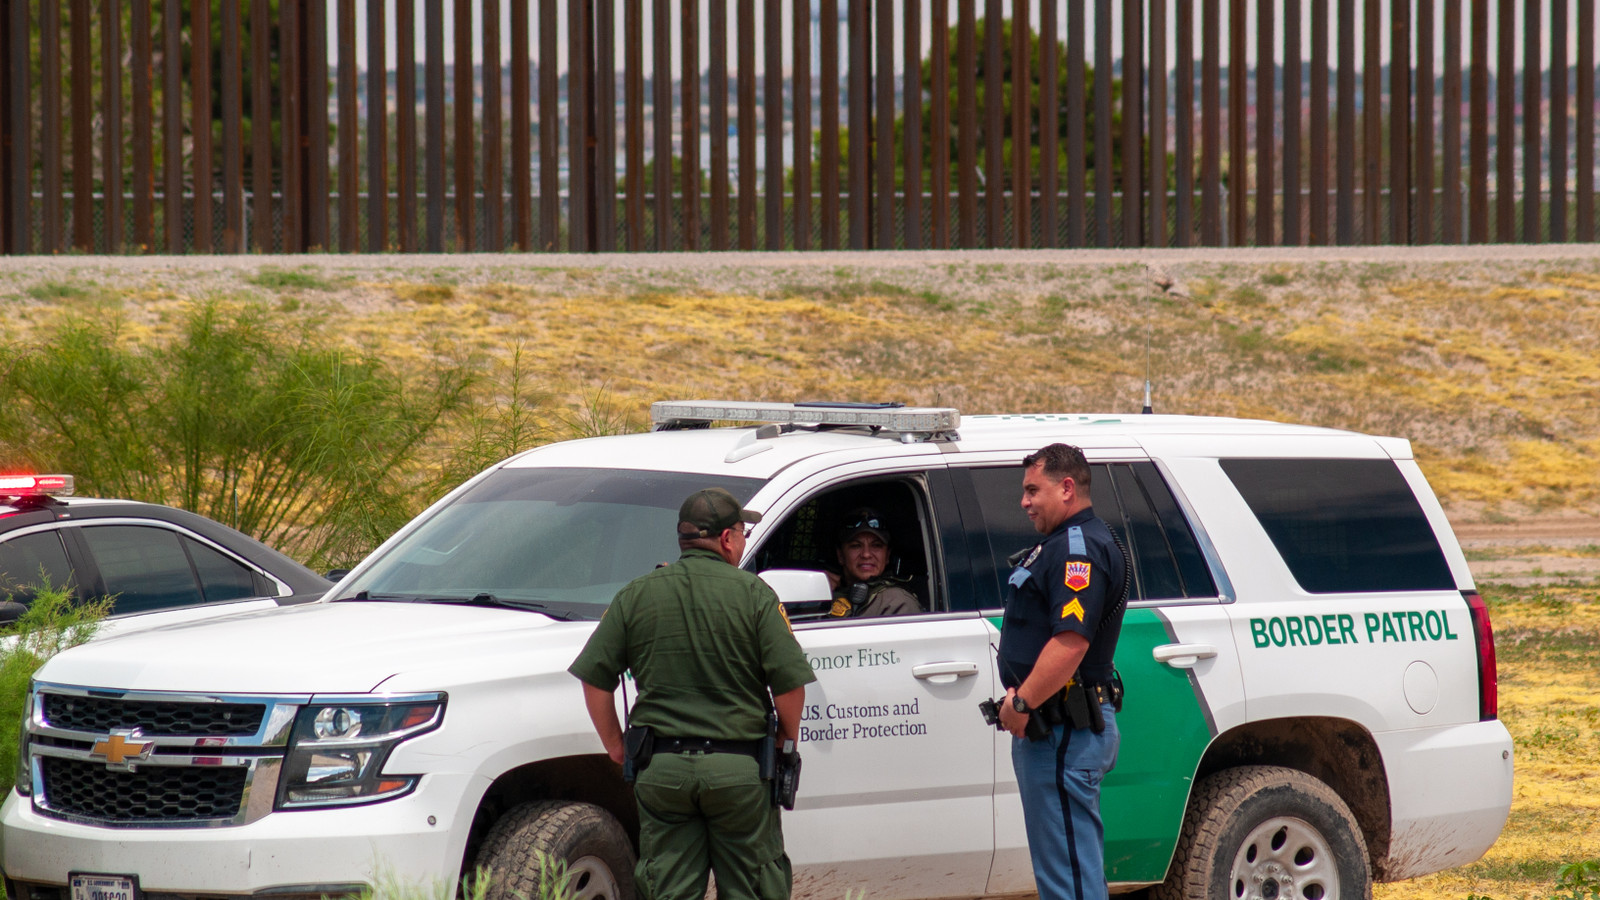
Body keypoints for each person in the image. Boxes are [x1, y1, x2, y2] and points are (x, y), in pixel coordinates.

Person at [569, 487, 816, 900]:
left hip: (662, 770)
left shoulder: (637, 593)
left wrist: (615, 745)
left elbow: (595, 677)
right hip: (739, 772)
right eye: (741, 532)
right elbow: (789, 685)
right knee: (754, 886)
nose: (742, 542)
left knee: (668, 888)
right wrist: (783, 739)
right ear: (725, 539)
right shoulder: (754, 595)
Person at [995, 444, 1129, 900]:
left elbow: (1070, 642)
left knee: (1070, 881)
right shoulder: (1062, 543)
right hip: (1053, 729)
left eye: (1033, 490)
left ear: (1067, 487)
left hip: (1062, 730)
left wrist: (1021, 702)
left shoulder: (1078, 550)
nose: (1024, 501)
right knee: (1064, 875)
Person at [827, 507, 924, 618]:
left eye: (876, 545)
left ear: (887, 555)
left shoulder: (896, 603)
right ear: (840, 555)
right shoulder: (826, 593)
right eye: (856, 546)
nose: (866, 554)